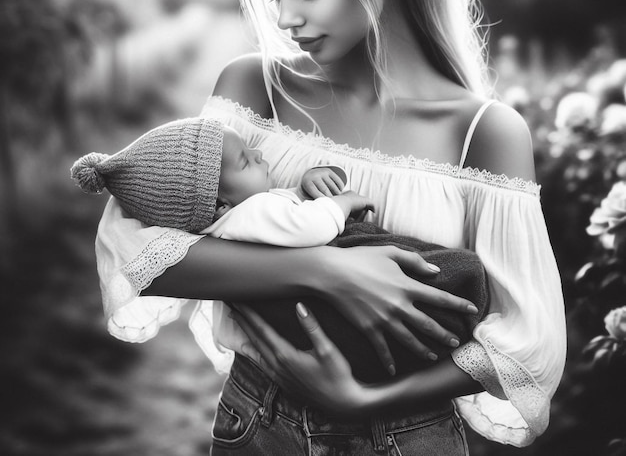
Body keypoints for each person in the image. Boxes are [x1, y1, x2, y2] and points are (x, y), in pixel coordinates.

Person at [94, 0, 566, 454]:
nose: (286, 17)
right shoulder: (252, 89)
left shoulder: (484, 133)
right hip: (256, 422)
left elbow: (527, 339)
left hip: (409, 435)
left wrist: (366, 401)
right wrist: (323, 270)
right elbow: (134, 245)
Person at [72, 117, 489, 384]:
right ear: (219, 205)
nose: (259, 155)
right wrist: (339, 204)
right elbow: (307, 226)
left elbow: (284, 208)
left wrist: (310, 181)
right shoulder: (248, 217)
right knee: (446, 268)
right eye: (245, 162)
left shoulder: (240, 216)